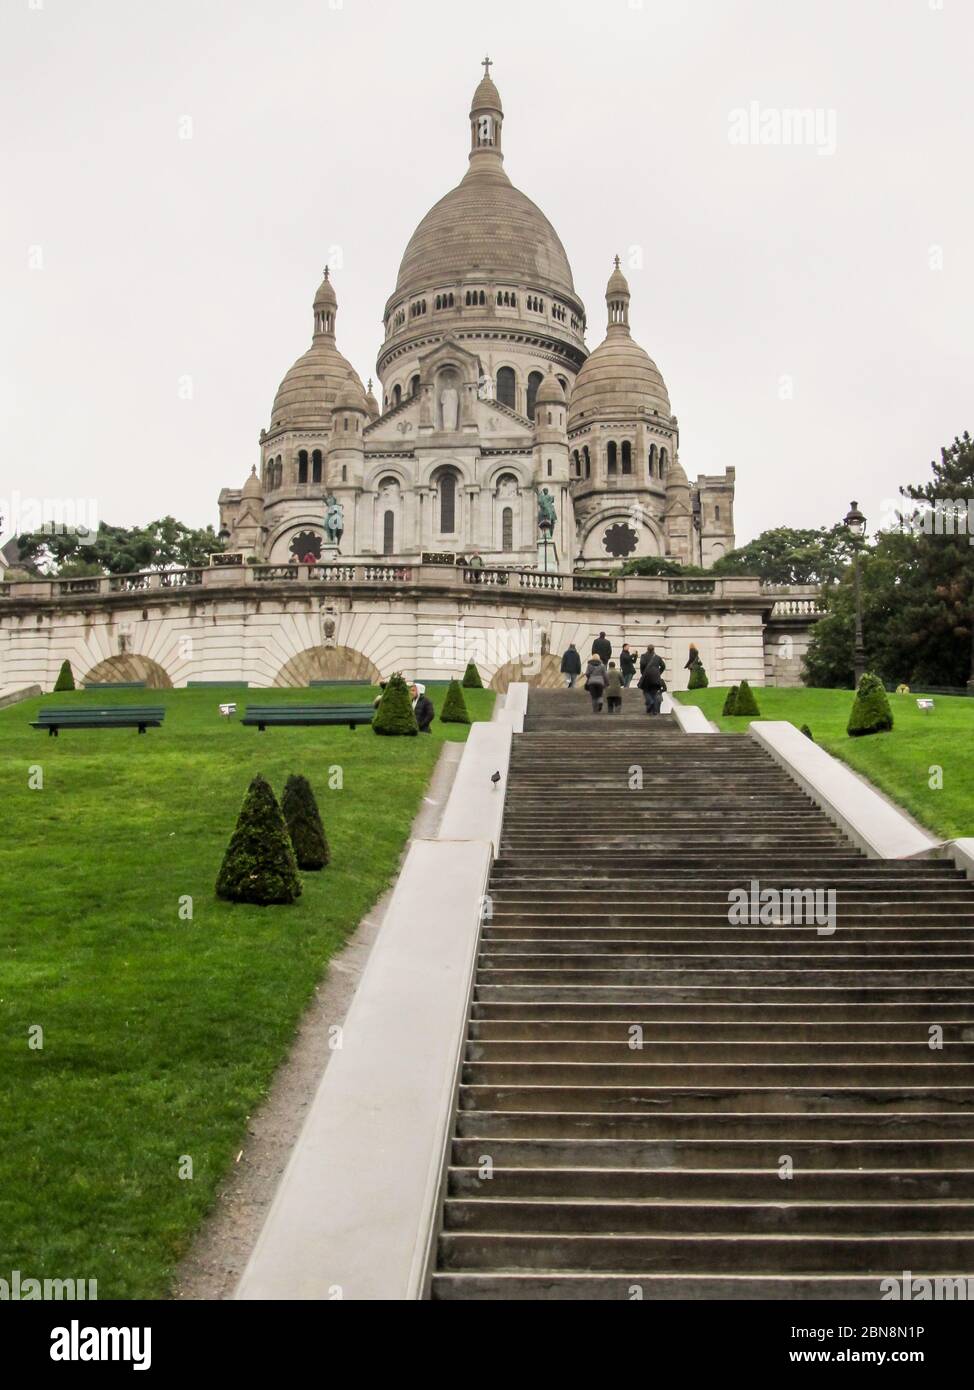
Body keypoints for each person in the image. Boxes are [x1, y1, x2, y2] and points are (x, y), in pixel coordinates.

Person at [637, 645, 666, 716]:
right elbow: (663, 666)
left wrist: (643, 673)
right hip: (656, 677)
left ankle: (650, 702)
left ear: (647, 649)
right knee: (654, 693)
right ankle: (655, 711)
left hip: (647, 676)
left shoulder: (643, 656)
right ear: (654, 649)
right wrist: (659, 672)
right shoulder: (657, 657)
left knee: (645, 691)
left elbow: (642, 665)